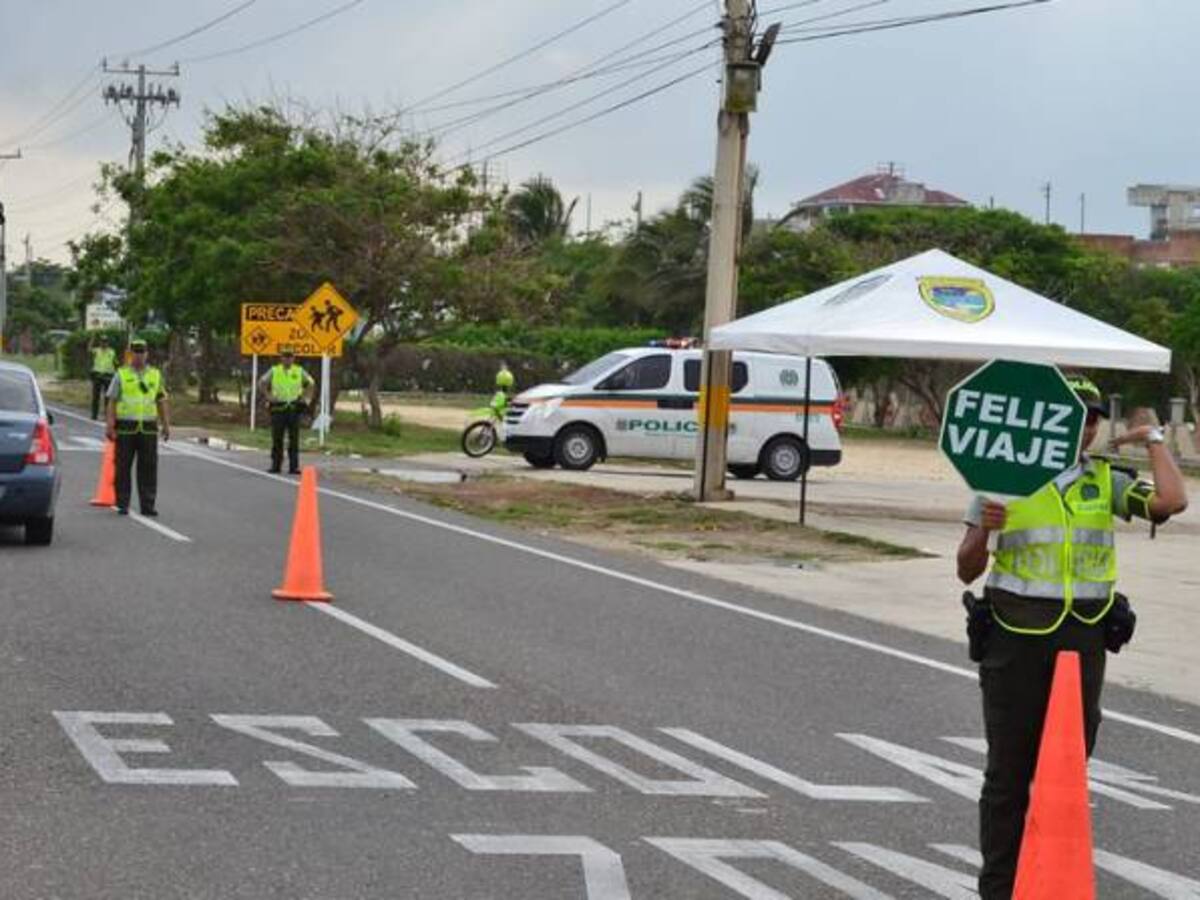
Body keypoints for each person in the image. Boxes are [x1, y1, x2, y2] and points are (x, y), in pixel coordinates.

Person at [956, 375, 1188, 899]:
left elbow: (1172, 501)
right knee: (1008, 777)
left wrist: (1153, 439)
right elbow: (966, 568)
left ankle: (1049, 883)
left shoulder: (1104, 480)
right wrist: (984, 527)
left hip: (1081, 646)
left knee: (1064, 772)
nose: (1083, 426)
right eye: (1071, 414)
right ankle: (998, 889)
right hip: (1015, 641)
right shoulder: (1001, 479)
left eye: (1091, 417)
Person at [104, 338, 171, 517]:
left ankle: (148, 505)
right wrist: (110, 425)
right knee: (123, 467)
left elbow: (161, 400)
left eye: (142, 352)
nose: (139, 356)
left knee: (148, 467)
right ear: (130, 354)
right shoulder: (121, 374)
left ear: (147, 354)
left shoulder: (155, 375)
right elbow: (112, 401)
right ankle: (122, 503)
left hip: (148, 428)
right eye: (136, 352)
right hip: (126, 427)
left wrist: (166, 424)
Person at [258, 345, 314, 474]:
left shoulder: (299, 371)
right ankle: (276, 465)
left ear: (293, 358)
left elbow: (311, 383)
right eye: (285, 356)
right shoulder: (275, 370)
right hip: (278, 407)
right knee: (277, 438)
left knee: (294, 439)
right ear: (281, 358)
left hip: (293, 407)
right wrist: (269, 396)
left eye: (290, 356)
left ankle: (294, 466)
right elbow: (262, 382)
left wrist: (306, 399)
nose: (287, 359)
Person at [88, 336, 117, 420]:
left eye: (105, 342)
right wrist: (92, 338)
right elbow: (89, 349)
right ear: (100, 343)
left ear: (107, 343)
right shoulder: (97, 351)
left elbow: (115, 363)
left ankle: (106, 415)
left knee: (107, 397)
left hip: (108, 375)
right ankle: (94, 415)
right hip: (97, 375)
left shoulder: (112, 352)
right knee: (95, 396)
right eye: (102, 342)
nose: (104, 343)